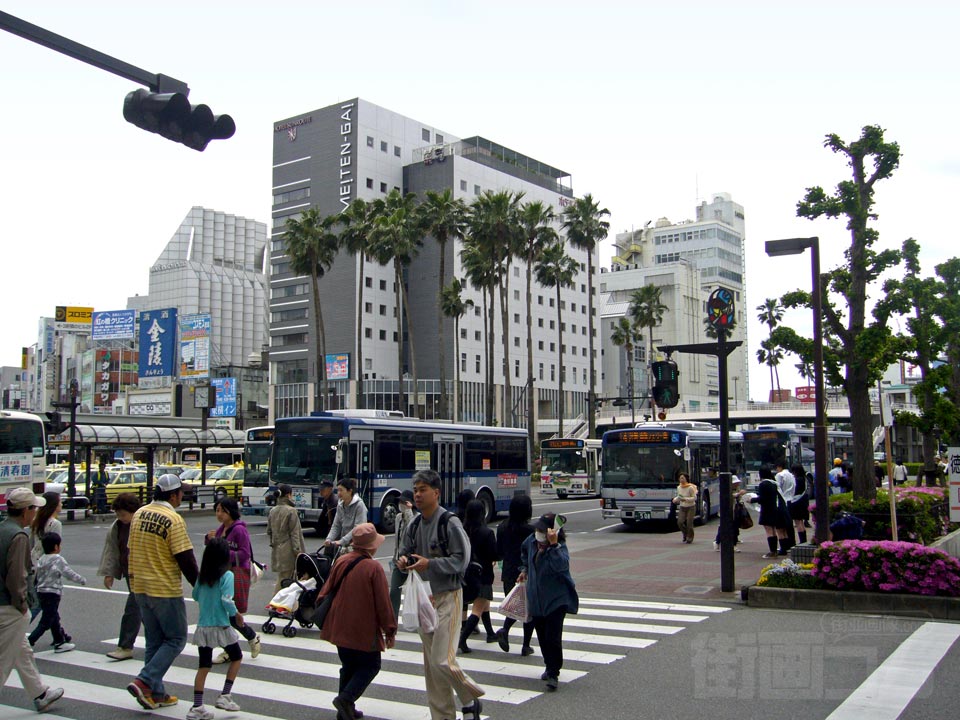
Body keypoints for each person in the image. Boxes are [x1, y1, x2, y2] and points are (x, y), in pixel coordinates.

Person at [397, 469, 484, 720]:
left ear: (437, 493)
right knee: (432, 669)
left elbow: (462, 559)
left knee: (442, 660)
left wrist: (431, 564)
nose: (418, 494)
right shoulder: (414, 524)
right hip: (424, 598)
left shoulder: (450, 522)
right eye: (416, 490)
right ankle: (443, 716)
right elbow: (404, 552)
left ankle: (470, 697)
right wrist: (404, 561)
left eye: (423, 490)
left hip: (448, 596)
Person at [126, 473, 198, 710]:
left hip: (140, 587)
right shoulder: (173, 519)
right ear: (174, 494)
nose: (182, 497)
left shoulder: (139, 514)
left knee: (154, 642)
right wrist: (200, 587)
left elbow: (130, 549)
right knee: (176, 639)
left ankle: (156, 693)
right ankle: (145, 680)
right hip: (164, 588)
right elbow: (185, 558)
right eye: (181, 493)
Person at [319, 523, 396, 720]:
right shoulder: (373, 568)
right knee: (371, 665)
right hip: (362, 627)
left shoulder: (342, 561)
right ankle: (346, 699)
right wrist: (390, 630)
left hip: (338, 624)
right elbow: (383, 603)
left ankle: (345, 709)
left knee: (349, 665)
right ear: (372, 546)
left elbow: (325, 591)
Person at [0, 488, 64, 712]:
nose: (36, 513)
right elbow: (17, 575)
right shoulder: (18, 536)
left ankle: (40, 693)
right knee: (4, 658)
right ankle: (40, 694)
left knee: (22, 650)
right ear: (26, 510)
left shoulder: (2, 529)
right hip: (8, 606)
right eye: (34, 508)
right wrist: (22, 604)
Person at [519, 512, 579, 692]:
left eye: (543, 529)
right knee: (542, 636)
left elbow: (561, 566)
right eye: (538, 528)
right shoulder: (530, 542)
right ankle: (548, 665)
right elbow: (524, 557)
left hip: (555, 599)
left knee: (553, 637)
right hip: (536, 598)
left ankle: (554, 672)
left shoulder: (559, 547)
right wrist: (524, 570)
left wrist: (553, 545)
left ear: (553, 531)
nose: (538, 532)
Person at [187, 537, 243, 720]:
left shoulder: (202, 577)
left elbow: (195, 596)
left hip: (203, 627)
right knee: (237, 657)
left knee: (204, 666)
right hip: (221, 625)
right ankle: (225, 696)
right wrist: (236, 614)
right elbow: (227, 600)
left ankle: (197, 706)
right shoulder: (227, 576)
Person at [206, 497, 261, 663]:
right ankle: (238, 644)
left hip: (236, 574)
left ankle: (244, 641)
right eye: (217, 510)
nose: (219, 514)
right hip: (223, 573)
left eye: (223, 511)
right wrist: (209, 540)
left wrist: (222, 552)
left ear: (231, 511)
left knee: (229, 614)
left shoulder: (239, 530)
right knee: (224, 614)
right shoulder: (221, 529)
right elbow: (214, 548)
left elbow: (245, 554)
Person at [98, 491, 143, 661]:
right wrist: (109, 573)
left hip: (142, 572)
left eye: (123, 514)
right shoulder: (117, 527)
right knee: (143, 609)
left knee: (133, 609)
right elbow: (112, 550)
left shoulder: (142, 523)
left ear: (134, 511)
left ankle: (125, 646)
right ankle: (163, 639)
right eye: (118, 514)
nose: (121, 518)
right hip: (129, 571)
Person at [28, 532, 86, 652]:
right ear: (56, 547)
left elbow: (37, 575)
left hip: (41, 591)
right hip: (52, 593)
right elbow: (68, 573)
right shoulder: (57, 559)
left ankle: (59, 640)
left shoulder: (42, 558)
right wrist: (81, 580)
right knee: (46, 621)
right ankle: (29, 642)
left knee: (54, 617)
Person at [495, 493, 535, 656]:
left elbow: (499, 551)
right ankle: (525, 645)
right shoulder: (530, 530)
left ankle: (505, 629)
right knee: (529, 610)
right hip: (526, 572)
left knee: (514, 605)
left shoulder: (502, 526)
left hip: (509, 571)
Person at [458, 499, 499, 654]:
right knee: (478, 607)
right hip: (484, 572)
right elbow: (494, 553)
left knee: (483, 603)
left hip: (466, 571)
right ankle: (463, 639)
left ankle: (490, 633)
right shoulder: (487, 532)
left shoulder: (462, 529)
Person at [267, 484, 305, 593]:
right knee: (285, 578)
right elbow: (295, 533)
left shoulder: (272, 511)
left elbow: (269, 531)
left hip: (276, 548)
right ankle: (276, 603)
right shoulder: (291, 511)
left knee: (283, 576)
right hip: (288, 549)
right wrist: (298, 551)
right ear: (289, 495)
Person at [750, 465, 792, 558]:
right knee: (780, 530)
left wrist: (751, 500)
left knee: (770, 530)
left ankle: (773, 551)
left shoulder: (764, 484)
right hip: (780, 508)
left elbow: (762, 499)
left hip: (769, 510)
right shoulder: (774, 483)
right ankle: (783, 549)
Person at [389, 489, 416, 620]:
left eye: (404, 502)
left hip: (413, 561)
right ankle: (392, 620)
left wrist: (409, 512)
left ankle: (423, 619)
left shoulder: (417, 518)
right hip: (399, 561)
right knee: (394, 591)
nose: (401, 504)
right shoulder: (398, 518)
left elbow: (410, 531)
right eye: (400, 502)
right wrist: (395, 557)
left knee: (419, 593)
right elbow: (397, 539)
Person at [325, 478, 368, 556]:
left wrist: (341, 541)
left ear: (350, 491)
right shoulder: (340, 505)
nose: (338, 493)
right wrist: (329, 539)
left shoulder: (359, 505)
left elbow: (357, 529)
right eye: (337, 490)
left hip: (357, 547)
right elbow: (336, 525)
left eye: (341, 490)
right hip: (344, 547)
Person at [714, 473, 745, 552]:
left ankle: (733, 545)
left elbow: (739, 499)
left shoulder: (736, 489)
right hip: (726, 512)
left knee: (734, 528)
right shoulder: (725, 489)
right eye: (735, 483)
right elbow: (728, 496)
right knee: (723, 528)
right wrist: (738, 494)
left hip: (735, 512)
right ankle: (717, 542)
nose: (737, 485)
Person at [30, 491, 63, 566]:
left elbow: (31, 543)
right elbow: (55, 547)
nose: (61, 504)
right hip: (48, 563)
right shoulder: (55, 523)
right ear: (54, 505)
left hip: (34, 559)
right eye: (60, 502)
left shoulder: (36, 520)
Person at [671, 472, 697, 543]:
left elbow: (694, 498)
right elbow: (679, 496)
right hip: (682, 507)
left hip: (691, 507)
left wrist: (685, 499)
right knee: (680, 522)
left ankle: (690, 537)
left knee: (689, 523)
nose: (681, 479)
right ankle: (685, 533)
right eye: (680, 478)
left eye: (682, 478)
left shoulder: (690, 487)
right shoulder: (679, 487)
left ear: (686, 479)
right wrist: (675, 499)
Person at [788, 464, 810, 544]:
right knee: (801, 522)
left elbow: (794, 491)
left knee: (798, 522)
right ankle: (804, 540)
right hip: (803, 502)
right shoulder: (804, 478)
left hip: (796, 502)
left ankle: (802, 541)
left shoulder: (797, 479)